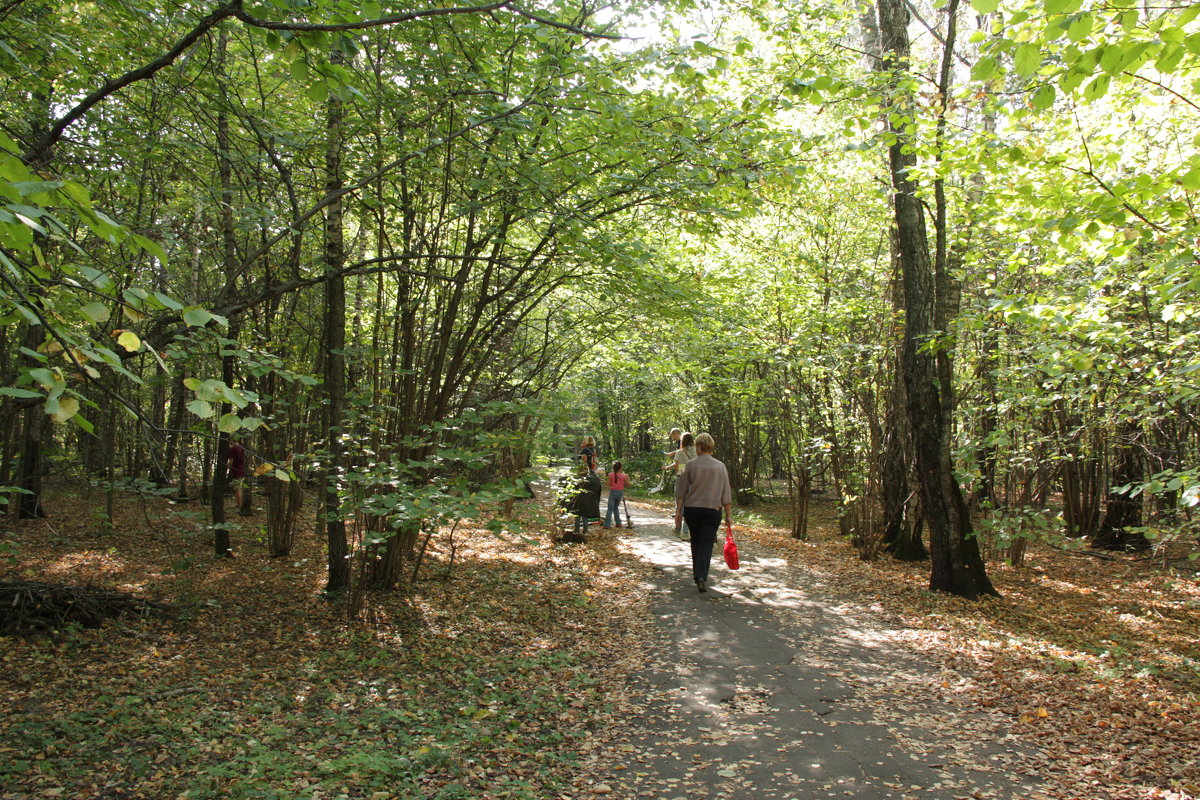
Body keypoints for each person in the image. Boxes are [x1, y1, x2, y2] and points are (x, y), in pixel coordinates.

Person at [674, 432, 732, 593]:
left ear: (699, 446)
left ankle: (697, 574)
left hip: (693, 510)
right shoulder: (720, 466)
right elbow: (726, 493)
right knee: (707, 543)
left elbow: (682, 491)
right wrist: (728, 515)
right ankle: (701, 576)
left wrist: (679, 511)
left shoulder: (691, 465)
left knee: (696, 541)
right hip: (713, 510)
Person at [567, 467, 602, 538]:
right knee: (584, 516)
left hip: (577, 501)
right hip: (586, 501)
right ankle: (585, 531)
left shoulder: (576, 479)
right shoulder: (591, 480)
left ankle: (576, 531)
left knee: (577, 516)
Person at [604, 461, 631, 528]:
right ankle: (618, 523)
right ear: (620, 468)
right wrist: (627, 479)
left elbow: (607, 484)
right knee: (616, 508)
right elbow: (628, 485)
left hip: (613, 492)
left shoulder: (610, 474)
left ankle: (607, 525)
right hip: (620, 492)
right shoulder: (624, 476)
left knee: (610, 509)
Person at [226, 437, 248, 514]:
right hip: (242, 469)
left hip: (237, 470)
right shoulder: (242, 447)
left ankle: (239, 506)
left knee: (237, 488)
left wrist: (227, 468)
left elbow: (231, 460)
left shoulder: (233, 449)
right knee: (238, 487)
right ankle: (239, 504)